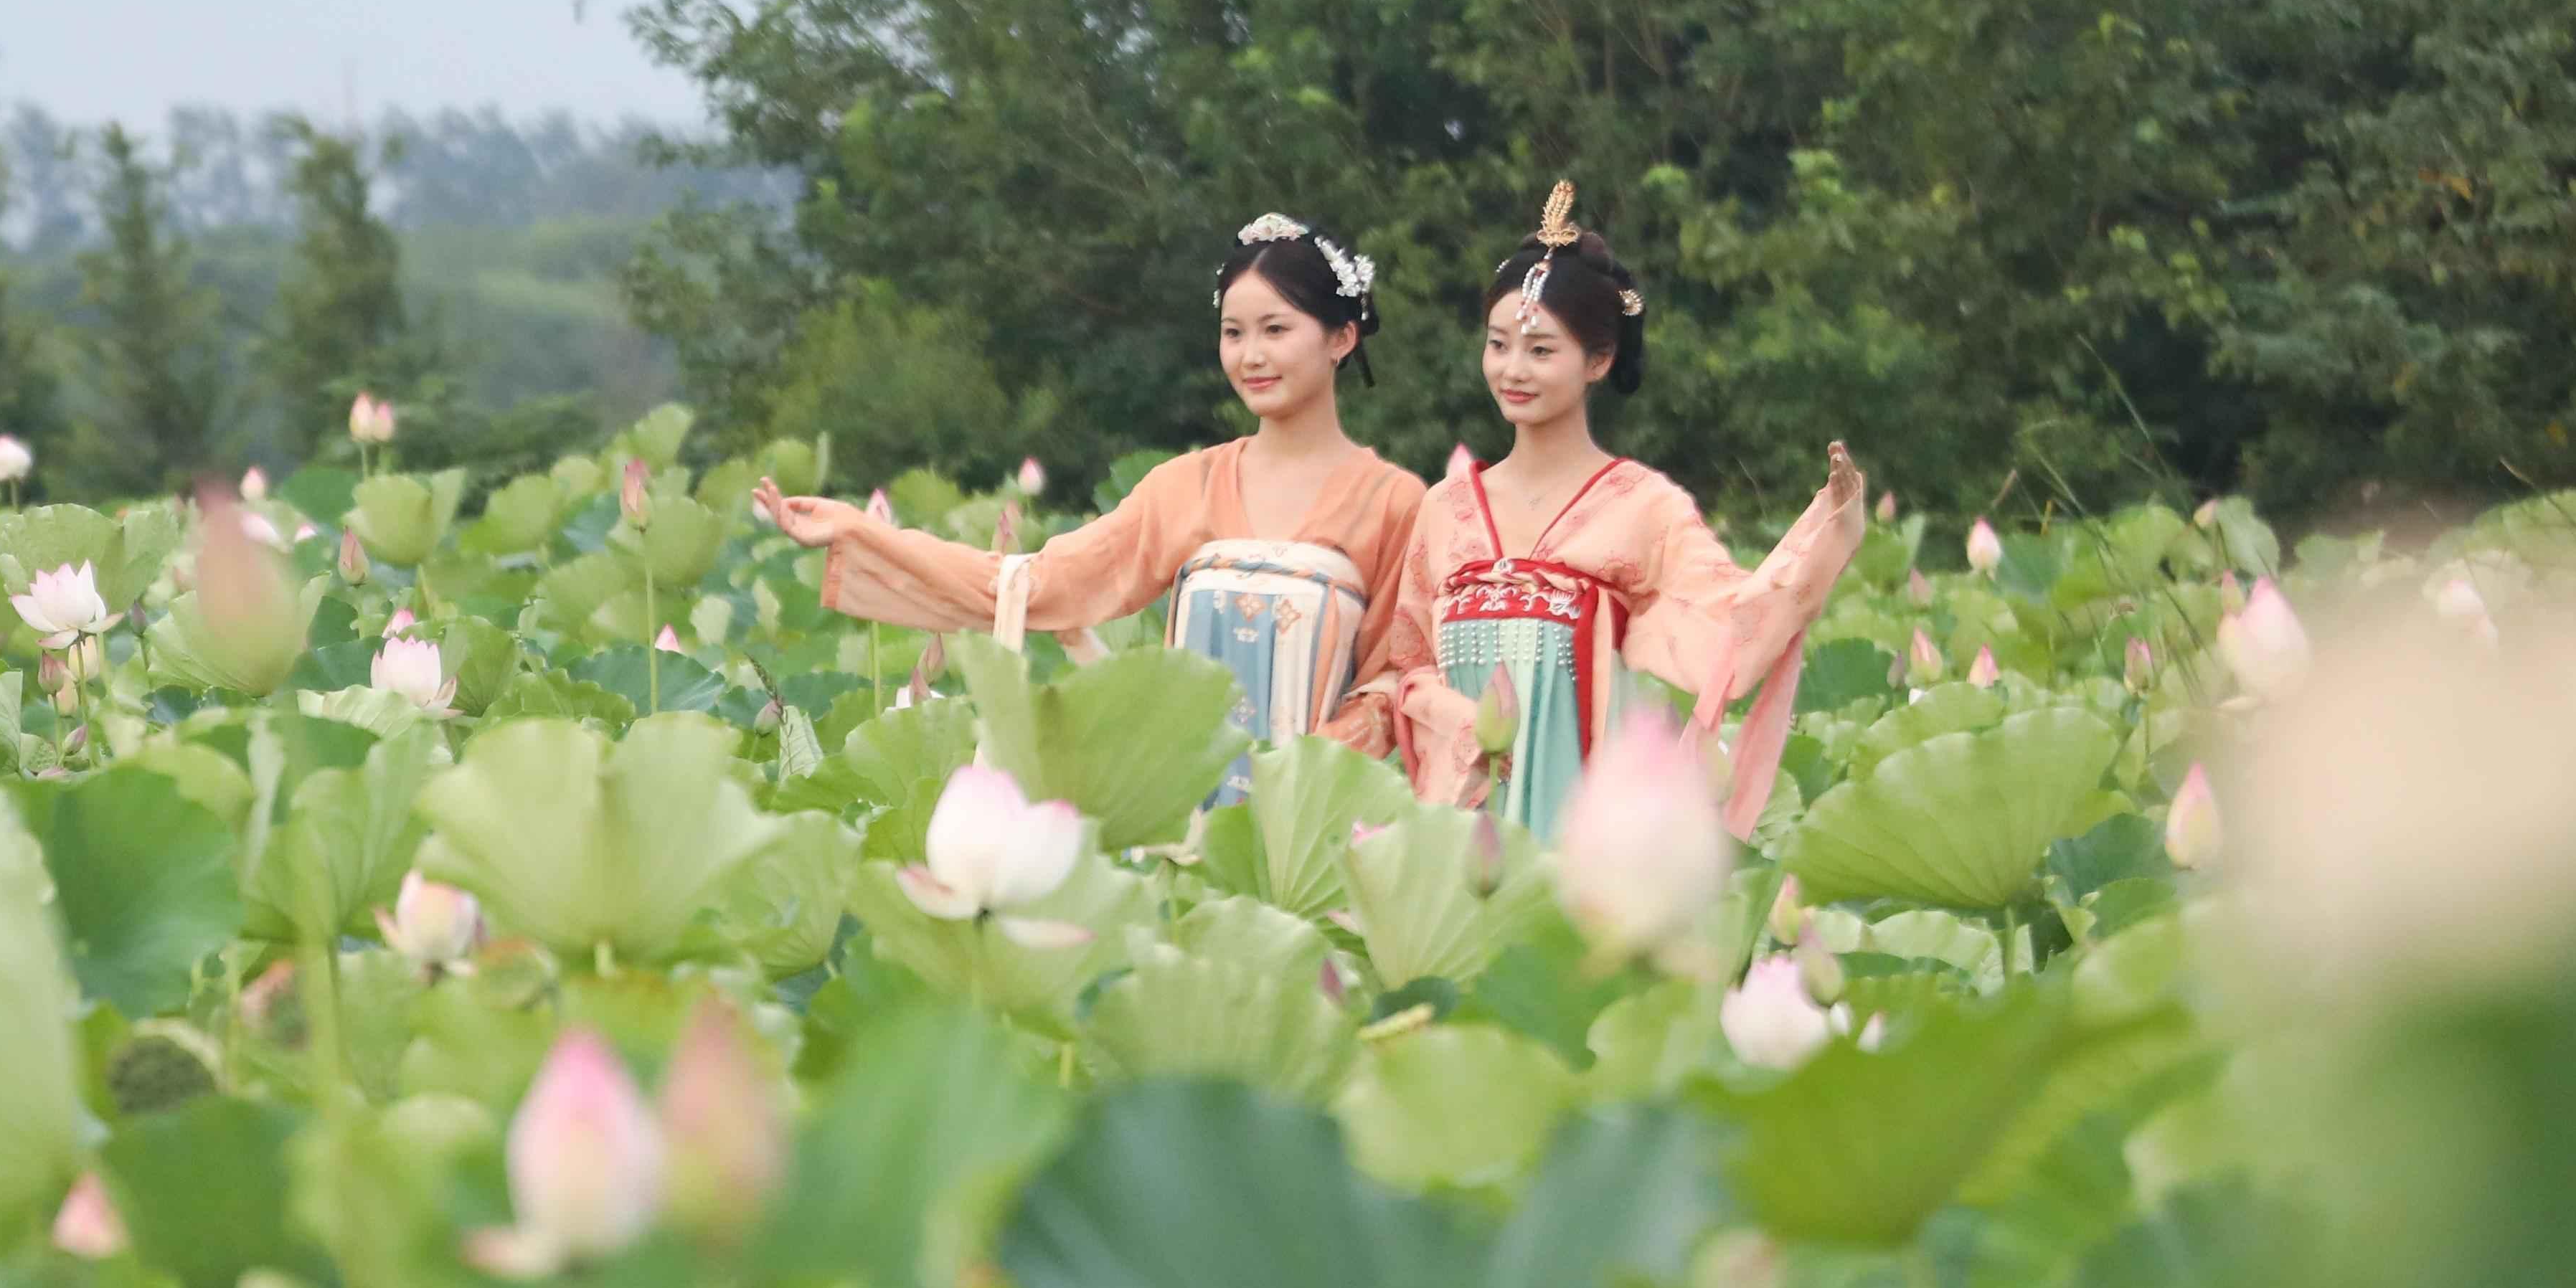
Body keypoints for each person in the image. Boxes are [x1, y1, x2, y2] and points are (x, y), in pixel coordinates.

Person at [754, 214, 1427, 775]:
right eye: (1233, 332)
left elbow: (1396, 678)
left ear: (1342, 337)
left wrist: (1300, 770)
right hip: (1178, 808)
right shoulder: (1184, 487)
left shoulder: (1394, 502)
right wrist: (862, 532)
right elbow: (1033, 584)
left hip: (1317, 817)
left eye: (1275, 330)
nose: (1250, 355)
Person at [1369, 183, 1864, 835]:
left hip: (1584, 832)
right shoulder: (1446, 508)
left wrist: (1830, 527)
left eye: (1541, 350)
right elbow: (1410, 665)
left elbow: (1731, 621)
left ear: (1598, 360)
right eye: (1498, 344)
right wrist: (1462, 725)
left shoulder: (1643, 507)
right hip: (1460, 830)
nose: (1512, 369)